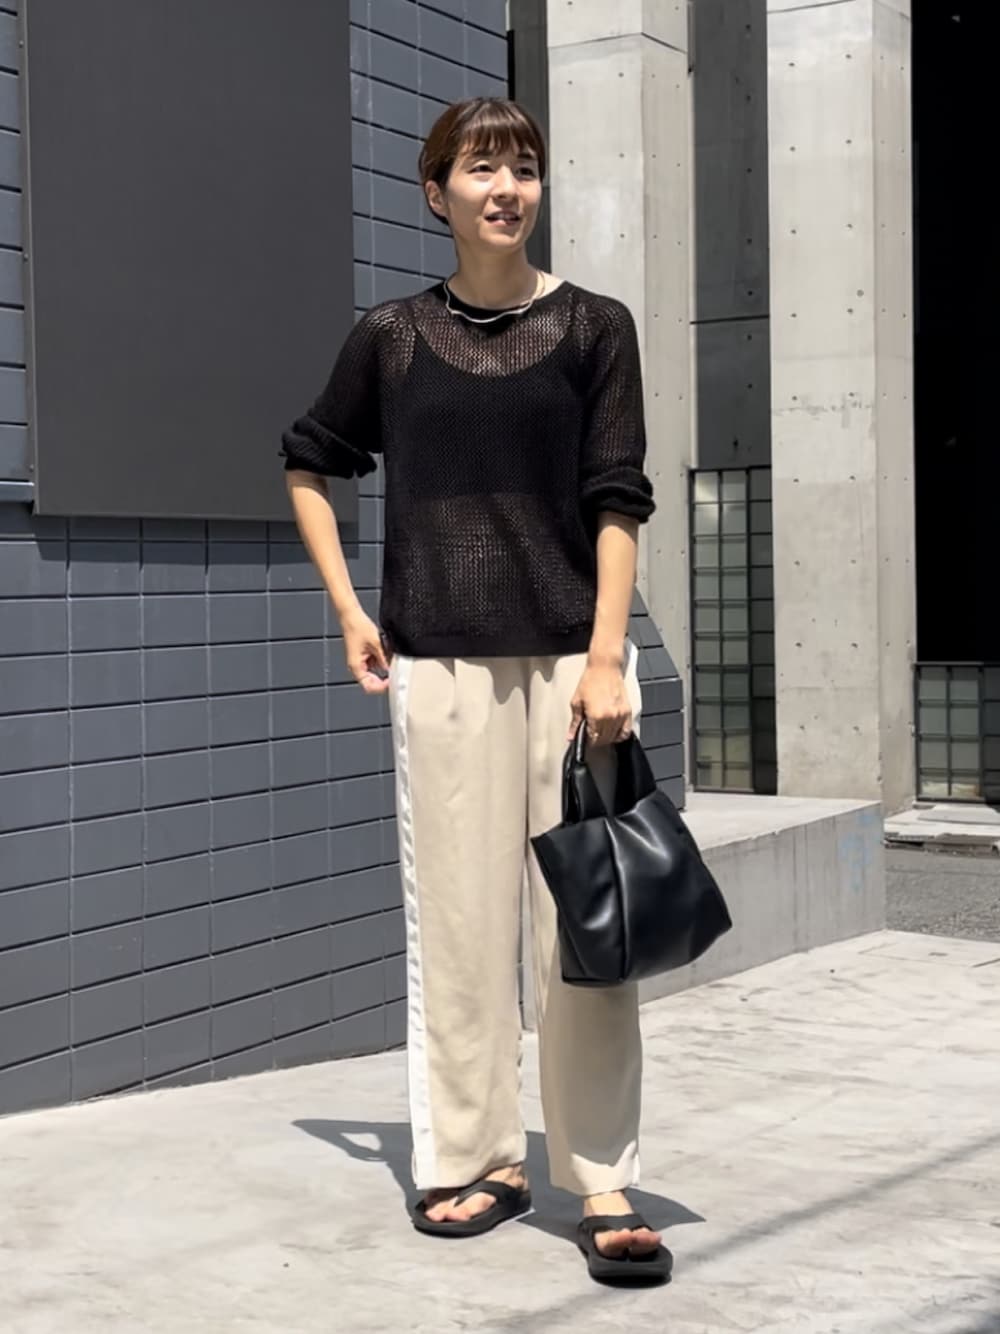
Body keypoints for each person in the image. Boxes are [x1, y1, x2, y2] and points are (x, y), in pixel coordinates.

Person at [281, 97, 671, 1285]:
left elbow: (617, 496)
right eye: (482, 167)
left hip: (569, 667)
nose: (506, 187)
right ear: (435, 190)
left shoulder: (595, 326)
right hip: (440, 662)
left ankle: (600, 1176)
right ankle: (477, 1157)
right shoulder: (392, 336)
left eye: (525, 167)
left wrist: (607, 656)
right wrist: (350, 610)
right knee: (455, 928)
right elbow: (308, 458)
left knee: (582, 935)